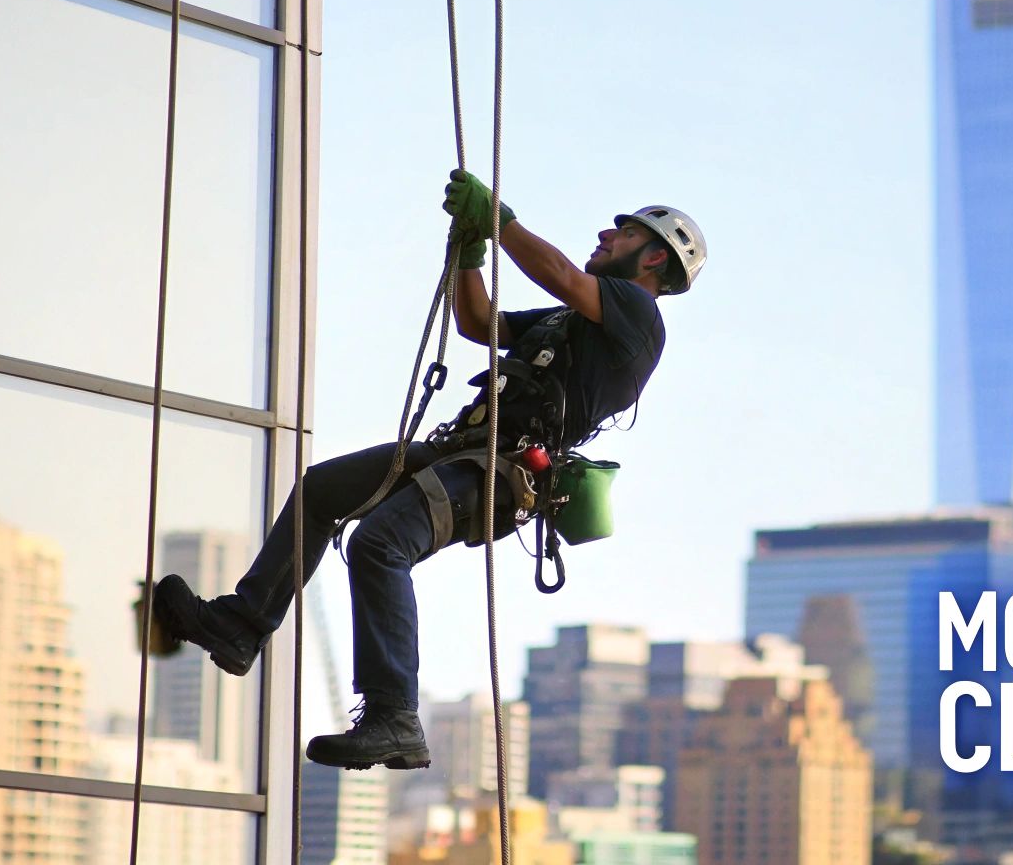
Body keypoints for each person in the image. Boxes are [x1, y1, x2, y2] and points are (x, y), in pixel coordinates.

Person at [152, 169, 706, 770]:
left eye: (623, 233)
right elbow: (478, 324)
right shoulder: (569, 320)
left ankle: (395, 716)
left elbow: (560, 274)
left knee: (380, 543)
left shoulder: (637, 315)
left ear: (653, 258)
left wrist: (498, 220)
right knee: (322, 490)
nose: (605, 233)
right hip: (463, 450)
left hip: (502, 470)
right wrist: (470, 254)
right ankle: (243, 623)